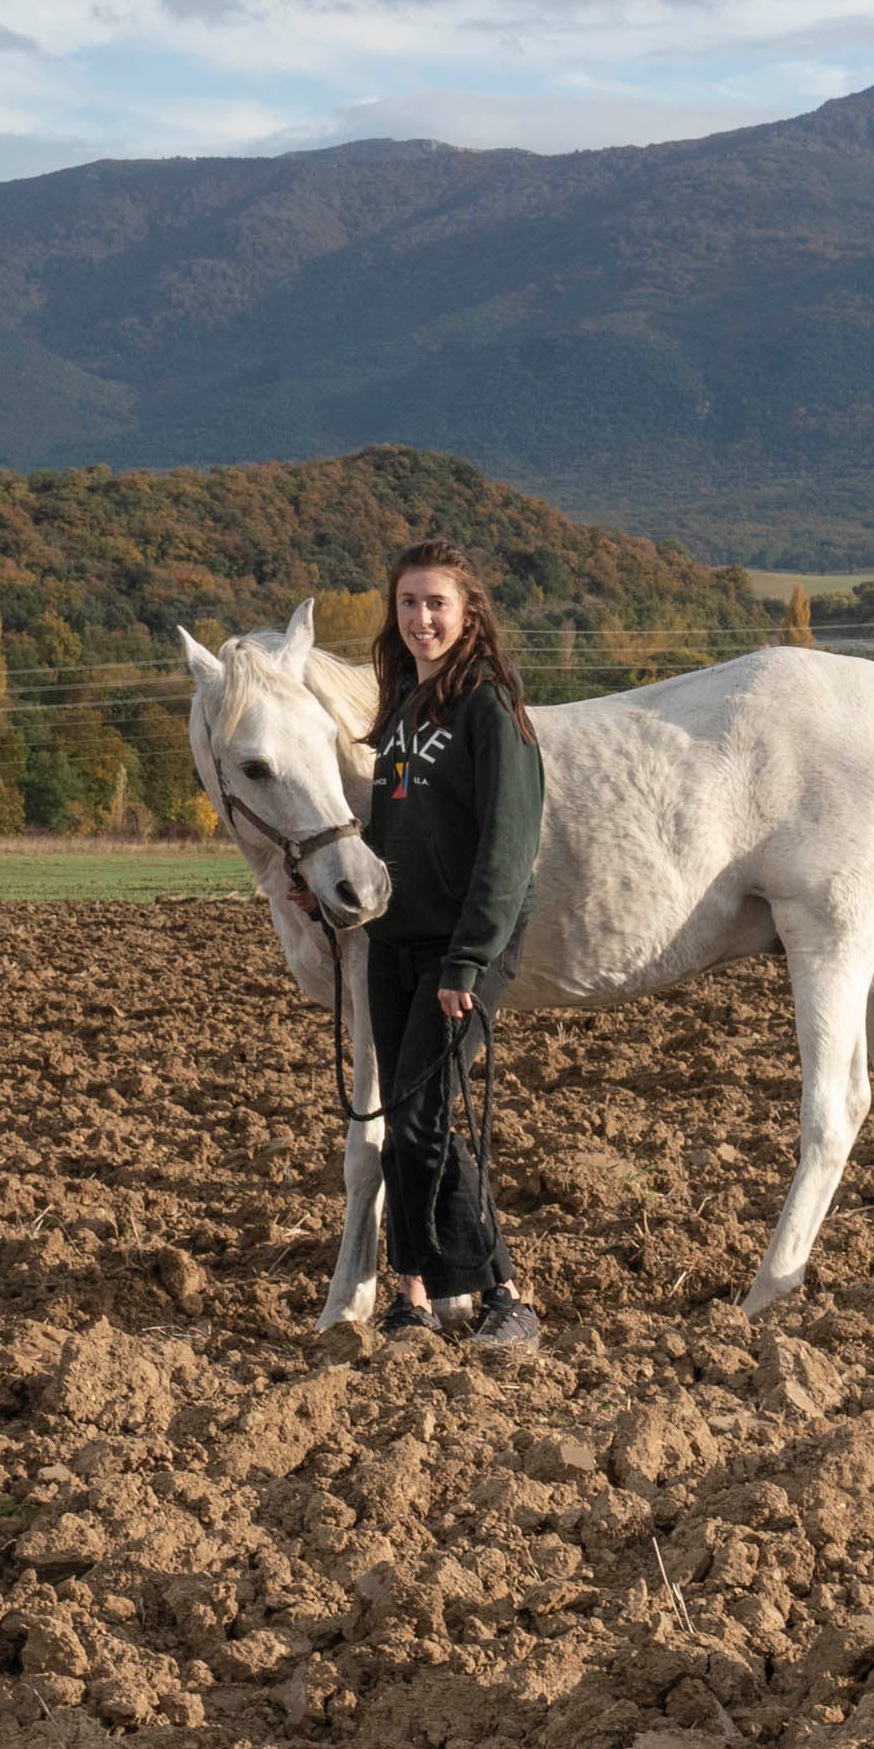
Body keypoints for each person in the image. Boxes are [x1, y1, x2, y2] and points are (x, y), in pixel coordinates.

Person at [365, 538, 547, 1353]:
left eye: (437, 603)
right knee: (402, 1120)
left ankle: (507, 1296)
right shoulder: (403, 707)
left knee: (423, 1117)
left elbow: (508, 849)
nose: (422, 618)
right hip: (393, 942)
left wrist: (470, 958)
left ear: (468, 612)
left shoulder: (489, 709)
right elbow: (397, 829)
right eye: (409, 603)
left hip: (461, 950)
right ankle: (411, 1302)